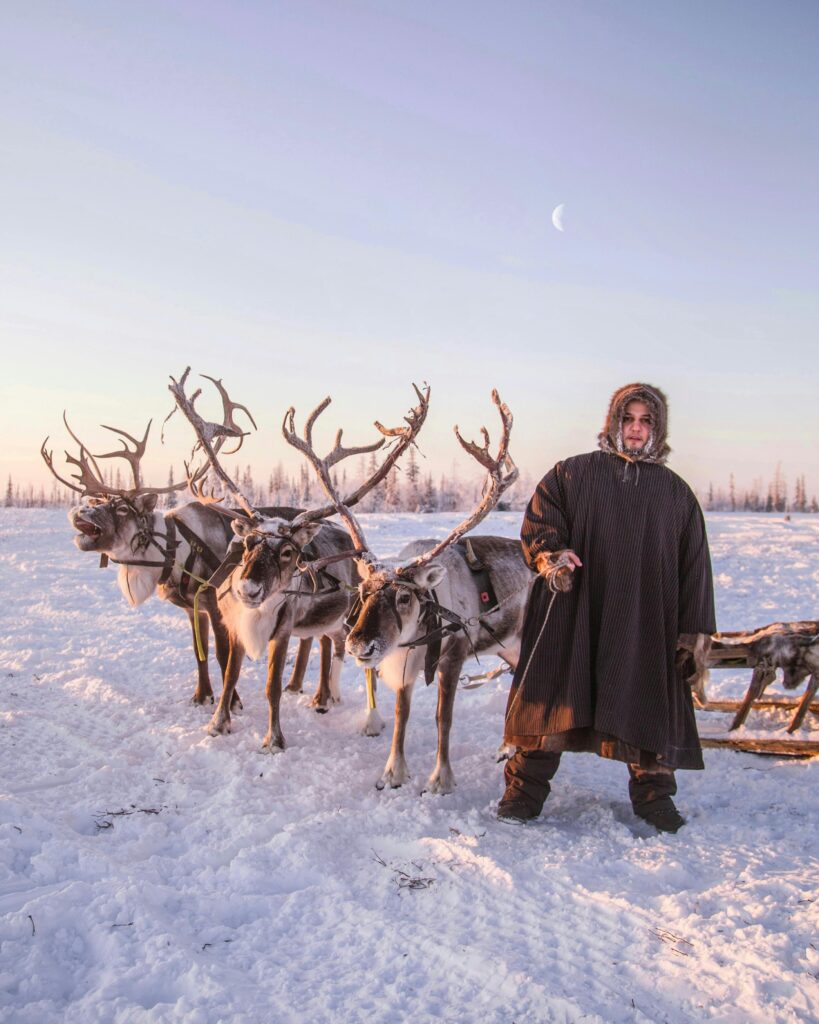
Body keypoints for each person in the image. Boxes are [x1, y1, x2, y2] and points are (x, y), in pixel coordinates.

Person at [498, 383, 716, 833]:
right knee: (553, 699)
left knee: (648, 701)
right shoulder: (572, 475)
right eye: (628, 419)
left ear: (657, 429)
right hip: (574, 611)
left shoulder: (675, 494)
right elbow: (540, 523)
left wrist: (694, 633)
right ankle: (522, 795)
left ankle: (655, 802)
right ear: (613, 422)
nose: (635, 430)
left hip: (644, 620)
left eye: (645, 421)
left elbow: (695, 567)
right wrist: (552, 556)